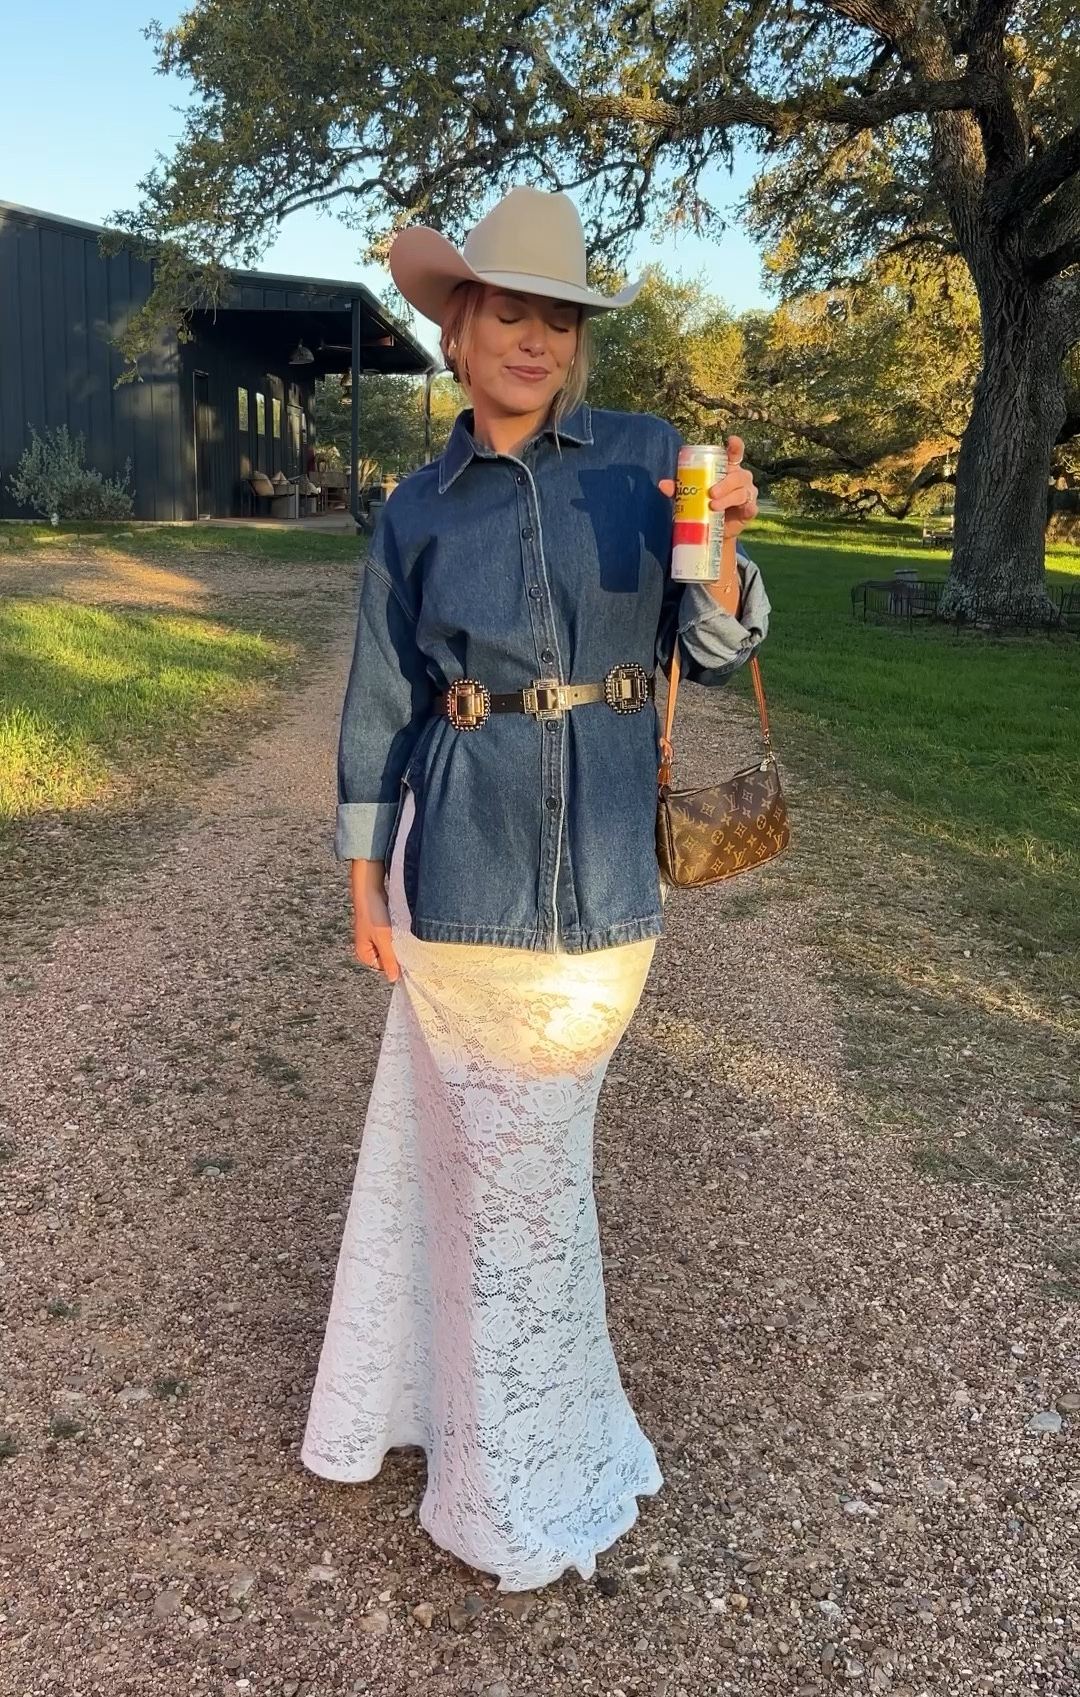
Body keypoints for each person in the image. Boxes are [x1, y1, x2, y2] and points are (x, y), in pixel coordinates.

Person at [301, 187, 769, 1592]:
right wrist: (360, 880)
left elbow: (713, 642)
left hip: (612, 899)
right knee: (508, 1188)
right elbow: (380, 695)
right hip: (465, 892)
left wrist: (729, 546)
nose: (537, 338)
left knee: (530, 1183)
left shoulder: (644, 461)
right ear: (460, 326)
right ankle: (508, 1467)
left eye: (559, 317)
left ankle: (514, 1440)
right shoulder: (419, 507)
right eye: (511, 309)